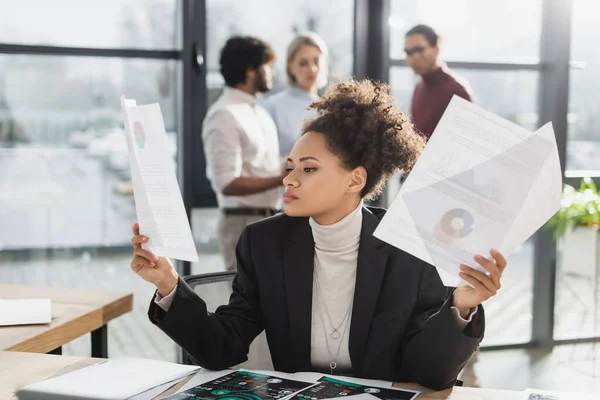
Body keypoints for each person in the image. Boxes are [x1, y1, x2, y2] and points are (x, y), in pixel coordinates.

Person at [131, 79, 507, 390]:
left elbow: (426, 374)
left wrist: (460, 306)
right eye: (290, 166)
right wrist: (168, 285)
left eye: (309, 170)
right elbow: (221, 348)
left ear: (355, 179)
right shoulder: (264, 243)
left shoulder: (409, 246)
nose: (289, 179)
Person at [202, 36, 286, 271]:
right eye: (267, 66)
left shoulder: (259, 112)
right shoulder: (224, 115)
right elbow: (227, 183)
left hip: (271, 219)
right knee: (245, 303)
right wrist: (281, 179)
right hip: (242, 223)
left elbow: (261, 164)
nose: (272, 73)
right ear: (251, 71)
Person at [261, 32, 328, 157]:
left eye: (316, 61)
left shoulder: (329, 110)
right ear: (290, 67)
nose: (312, 69)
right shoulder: (273, 106)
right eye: (303, 63)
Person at [405, 24, 474, 139]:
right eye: (408, 52)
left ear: (436, 49)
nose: (412, 58)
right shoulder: (419, 87)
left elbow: (467, 141)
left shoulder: (457, 90)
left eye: (418, 50)